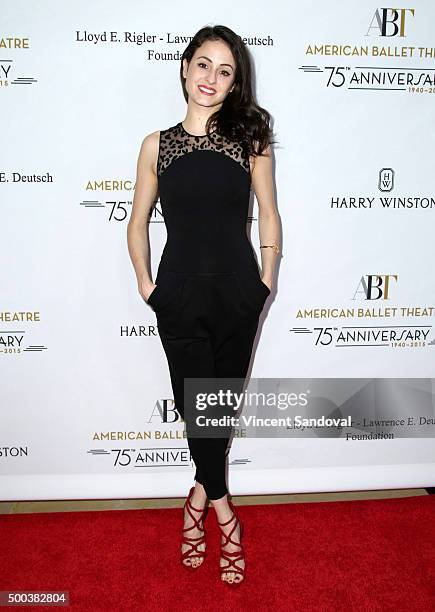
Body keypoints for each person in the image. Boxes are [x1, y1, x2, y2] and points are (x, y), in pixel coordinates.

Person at [127, 24, 280, 586]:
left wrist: (266, 277)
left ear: (235, 81)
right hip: (180, 293)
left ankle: (197, 497)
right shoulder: (156, 145)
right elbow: (137, 221)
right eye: (203, 64)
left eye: (225, 70)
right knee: (199, 409)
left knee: (218, 408)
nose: (211, 78)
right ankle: (223, 513)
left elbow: (269, 210)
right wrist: (148, 285)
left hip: (239, 289)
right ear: (185, 67)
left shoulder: (250, 138)